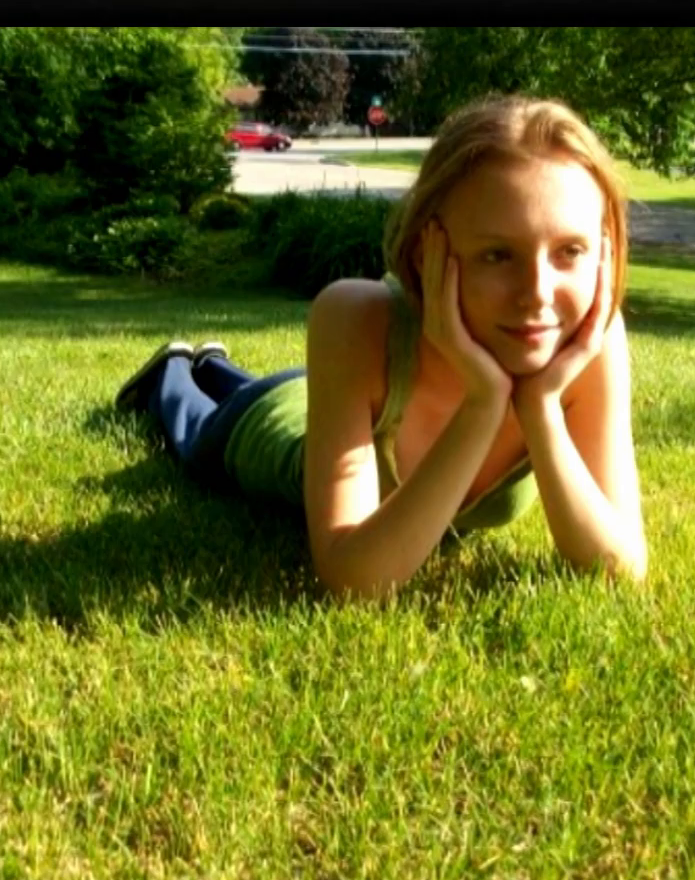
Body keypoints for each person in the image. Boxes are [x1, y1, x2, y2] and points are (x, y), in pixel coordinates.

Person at [115, 95, 646, 598]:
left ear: (605, 254)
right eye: (497, 255)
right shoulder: (355, 318)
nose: (537, 294)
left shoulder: (591, 342)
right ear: (426, 251)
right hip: (270, 419)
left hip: (325, 397)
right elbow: (355, 582)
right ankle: (174, 369)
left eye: (570, 251)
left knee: (239, 379)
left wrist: (541, 407)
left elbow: (618, 569)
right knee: (196, 428)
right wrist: (484, 404)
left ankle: (213, 362)